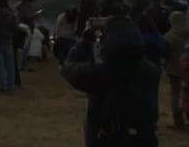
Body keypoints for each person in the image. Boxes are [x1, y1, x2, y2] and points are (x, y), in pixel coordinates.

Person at [61, 10, 159, 147]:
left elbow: (68, 69)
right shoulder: (149, 71)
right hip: (143, 136)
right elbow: (134, 55)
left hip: (105, 138)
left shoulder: (100, 73)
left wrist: (83, 42)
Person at [163, 11, 189, 129]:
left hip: (174, 69)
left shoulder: (169, 36)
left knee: (175, 94)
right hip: (187, 68)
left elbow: (165, 54)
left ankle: (178, 121)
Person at [138, 13, 164, 125]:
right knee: (153, 95)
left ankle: (141, 118)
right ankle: (153, 120)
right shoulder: (156, 36)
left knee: (139, 95)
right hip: (155, 68)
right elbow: (163, 49)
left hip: (139, 69)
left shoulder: (136, 36)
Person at [0, 0, 17, 92]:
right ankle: (10, 85)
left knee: (0, 64)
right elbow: (15, 28)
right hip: (8, 41)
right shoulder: (11, 15)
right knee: (10, 64)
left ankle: (2, 85)